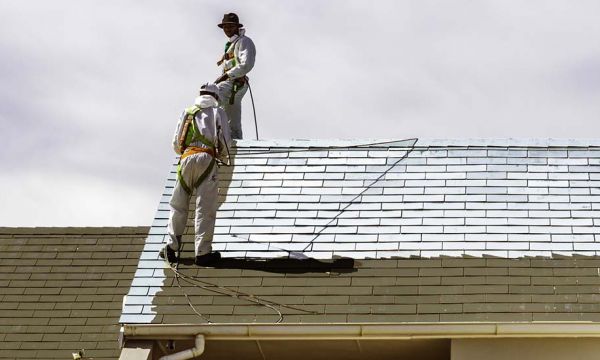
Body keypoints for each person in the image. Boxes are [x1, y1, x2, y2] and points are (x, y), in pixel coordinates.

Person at [160, 83, 232, 266]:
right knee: (205, 208)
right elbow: (224, 140)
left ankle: (171, 247)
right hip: (206, 160)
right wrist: (223, 156)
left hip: (186, 158)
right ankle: (202, 253)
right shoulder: (218, 113)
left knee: (178, 205)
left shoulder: (188, 112)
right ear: (215, 97)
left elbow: (176, 143)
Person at [214, 12, 256, 139]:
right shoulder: (232, 44)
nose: (227, 29)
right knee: (232, 118)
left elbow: (246, 64)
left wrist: (226, 76)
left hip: (235, 82)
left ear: (237, 27)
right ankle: (234, 142)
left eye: (231, 26)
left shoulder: (244, 41)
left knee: (211, 98)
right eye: (225, 27)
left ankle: (205, 134)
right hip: (232, 82)